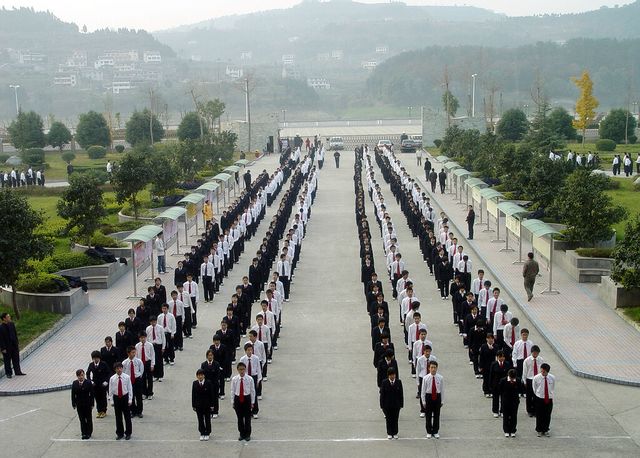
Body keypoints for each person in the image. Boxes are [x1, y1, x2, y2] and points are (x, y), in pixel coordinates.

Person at [108, 362, 133, 440]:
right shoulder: (112, 378)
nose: (119, 370)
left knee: (127, 416)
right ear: (115, 369)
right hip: (117, 398)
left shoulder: (127, 377)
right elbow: (110, 390)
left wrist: (130, 399)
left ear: (122, 368)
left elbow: (130, 389)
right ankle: (120, 433)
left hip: (124, 397)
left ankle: (128, 433)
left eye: (120, 368)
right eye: (117, 368)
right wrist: (111, 400)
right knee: (118, 417)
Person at [231, 362, 255, 441]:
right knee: (240, 418)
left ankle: (248, 434)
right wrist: (233, 401)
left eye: (243, 369)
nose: (242, 371)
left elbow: (252, 391)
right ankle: (242, 433)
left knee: (247, 418)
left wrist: (252, 402)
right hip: (238, 398)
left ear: (245, 369)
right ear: (237, 370)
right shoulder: (235, 379)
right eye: (240, 369)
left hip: (246, 398)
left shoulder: (249, 379)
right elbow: (232, 391)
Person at [497, 369, 525, 437]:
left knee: (514, 416)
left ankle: (513, 430)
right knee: (506, 416)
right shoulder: (503, 380)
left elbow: (521, 389)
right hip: (505, 400)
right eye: (511, 378)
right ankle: (506, 430)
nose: (512, 379)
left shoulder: (518, 380)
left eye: (513, 378)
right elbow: (499, 389)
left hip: (514, 401)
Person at [421, 361, 444, 438]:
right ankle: (429, 431)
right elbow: (423, 391)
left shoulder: (440, 378)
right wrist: (423, 401)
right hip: (429, 397)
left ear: (437, 368)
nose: (433, 369)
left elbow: (442, 390)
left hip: (437, 397)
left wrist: (442, 400)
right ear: (429, 368)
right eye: (431, 367)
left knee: (437, 415)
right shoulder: (425, 378)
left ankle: (435, 431)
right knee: (428, 415)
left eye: (434, 367)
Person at [379, 367, 403, 439]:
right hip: (387, 405)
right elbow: (382, 395)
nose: (392, 376)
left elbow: (401, 394)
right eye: (390, 375)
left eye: (393, 375)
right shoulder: (384, 382)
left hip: (396, 405)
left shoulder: (398, 382)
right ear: (388, 375)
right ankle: (389, 432)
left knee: (395, 418)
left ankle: (395, 432)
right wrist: (382, 405)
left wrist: (401, 404)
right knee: (389, 419)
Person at [71, 369, 95, 440]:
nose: (80, 377)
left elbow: (92, 394)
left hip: (87, 404)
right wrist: (73, 403)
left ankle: (89, 432)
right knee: (82, 419)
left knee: (88, 418)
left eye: (82, 375)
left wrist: (92, 403)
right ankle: (83, 432)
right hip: (79, 404)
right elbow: (73, 394)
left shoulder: (88, 382)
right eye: (79, 376)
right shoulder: (75, 383)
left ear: (84, 375)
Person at [192, 368, 215, 441]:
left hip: (207, 405)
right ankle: (202, 432)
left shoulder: (208, 383)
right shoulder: (195, 383)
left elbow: (211, 394)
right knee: (200, 419)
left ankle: (207, 432)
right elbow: (193, 395)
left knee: (207, 419)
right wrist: (194, 405)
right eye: (198, 375)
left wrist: (212, 405)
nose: (200, 377)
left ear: (204, 376)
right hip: (198, 405)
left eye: (201, 375)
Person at [533, 363, 555, 437]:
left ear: (547, 371)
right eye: (541, 371)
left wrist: (550, 395)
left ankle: (545, 429)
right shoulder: (536, 378)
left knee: (547, 414)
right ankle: (539, 429)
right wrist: (538, 395)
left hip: (548, 398)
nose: (542, 373)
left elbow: (552, 387)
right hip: (540, 398)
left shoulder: (552, 378)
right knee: (539, 415)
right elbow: (534, 388)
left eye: (544, 372)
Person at [86, 350, 110, 418]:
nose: (95, 359)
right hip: (95, 384)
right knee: (97, 398)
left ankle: (104, 411)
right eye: (94, 358)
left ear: (99, 358)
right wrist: (91, 381)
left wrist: (106, 381)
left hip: (102, 384)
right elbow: (88, 373)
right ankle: (99, 411)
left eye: (97, 358)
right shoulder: (91, 364)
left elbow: (108, 373)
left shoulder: (104, 364)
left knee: (103, 397)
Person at [522, 345, 545, 417]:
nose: (535, 354)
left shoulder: (541, 360)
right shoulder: (527, 360)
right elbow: (525, 371)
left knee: (537, 395)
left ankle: (535, 410)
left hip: (538, 379)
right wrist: (524, 381)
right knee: (529, 396)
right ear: (531, 352)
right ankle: (529, 410)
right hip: (530, 379)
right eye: (534, 353)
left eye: (537, 353)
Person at [0, 312, 25, 378]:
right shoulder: (1, 327)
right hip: (6, 347)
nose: (9, 318)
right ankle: (8, 373)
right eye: (8, 317)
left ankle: (18, 371)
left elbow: (15, 334)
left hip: (14, 345)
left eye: (9, 316)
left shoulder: (12, 324)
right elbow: (1, 339)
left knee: (16, 359)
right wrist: (3, 348)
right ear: (4, 319)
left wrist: (17, 343)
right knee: (7, 360)